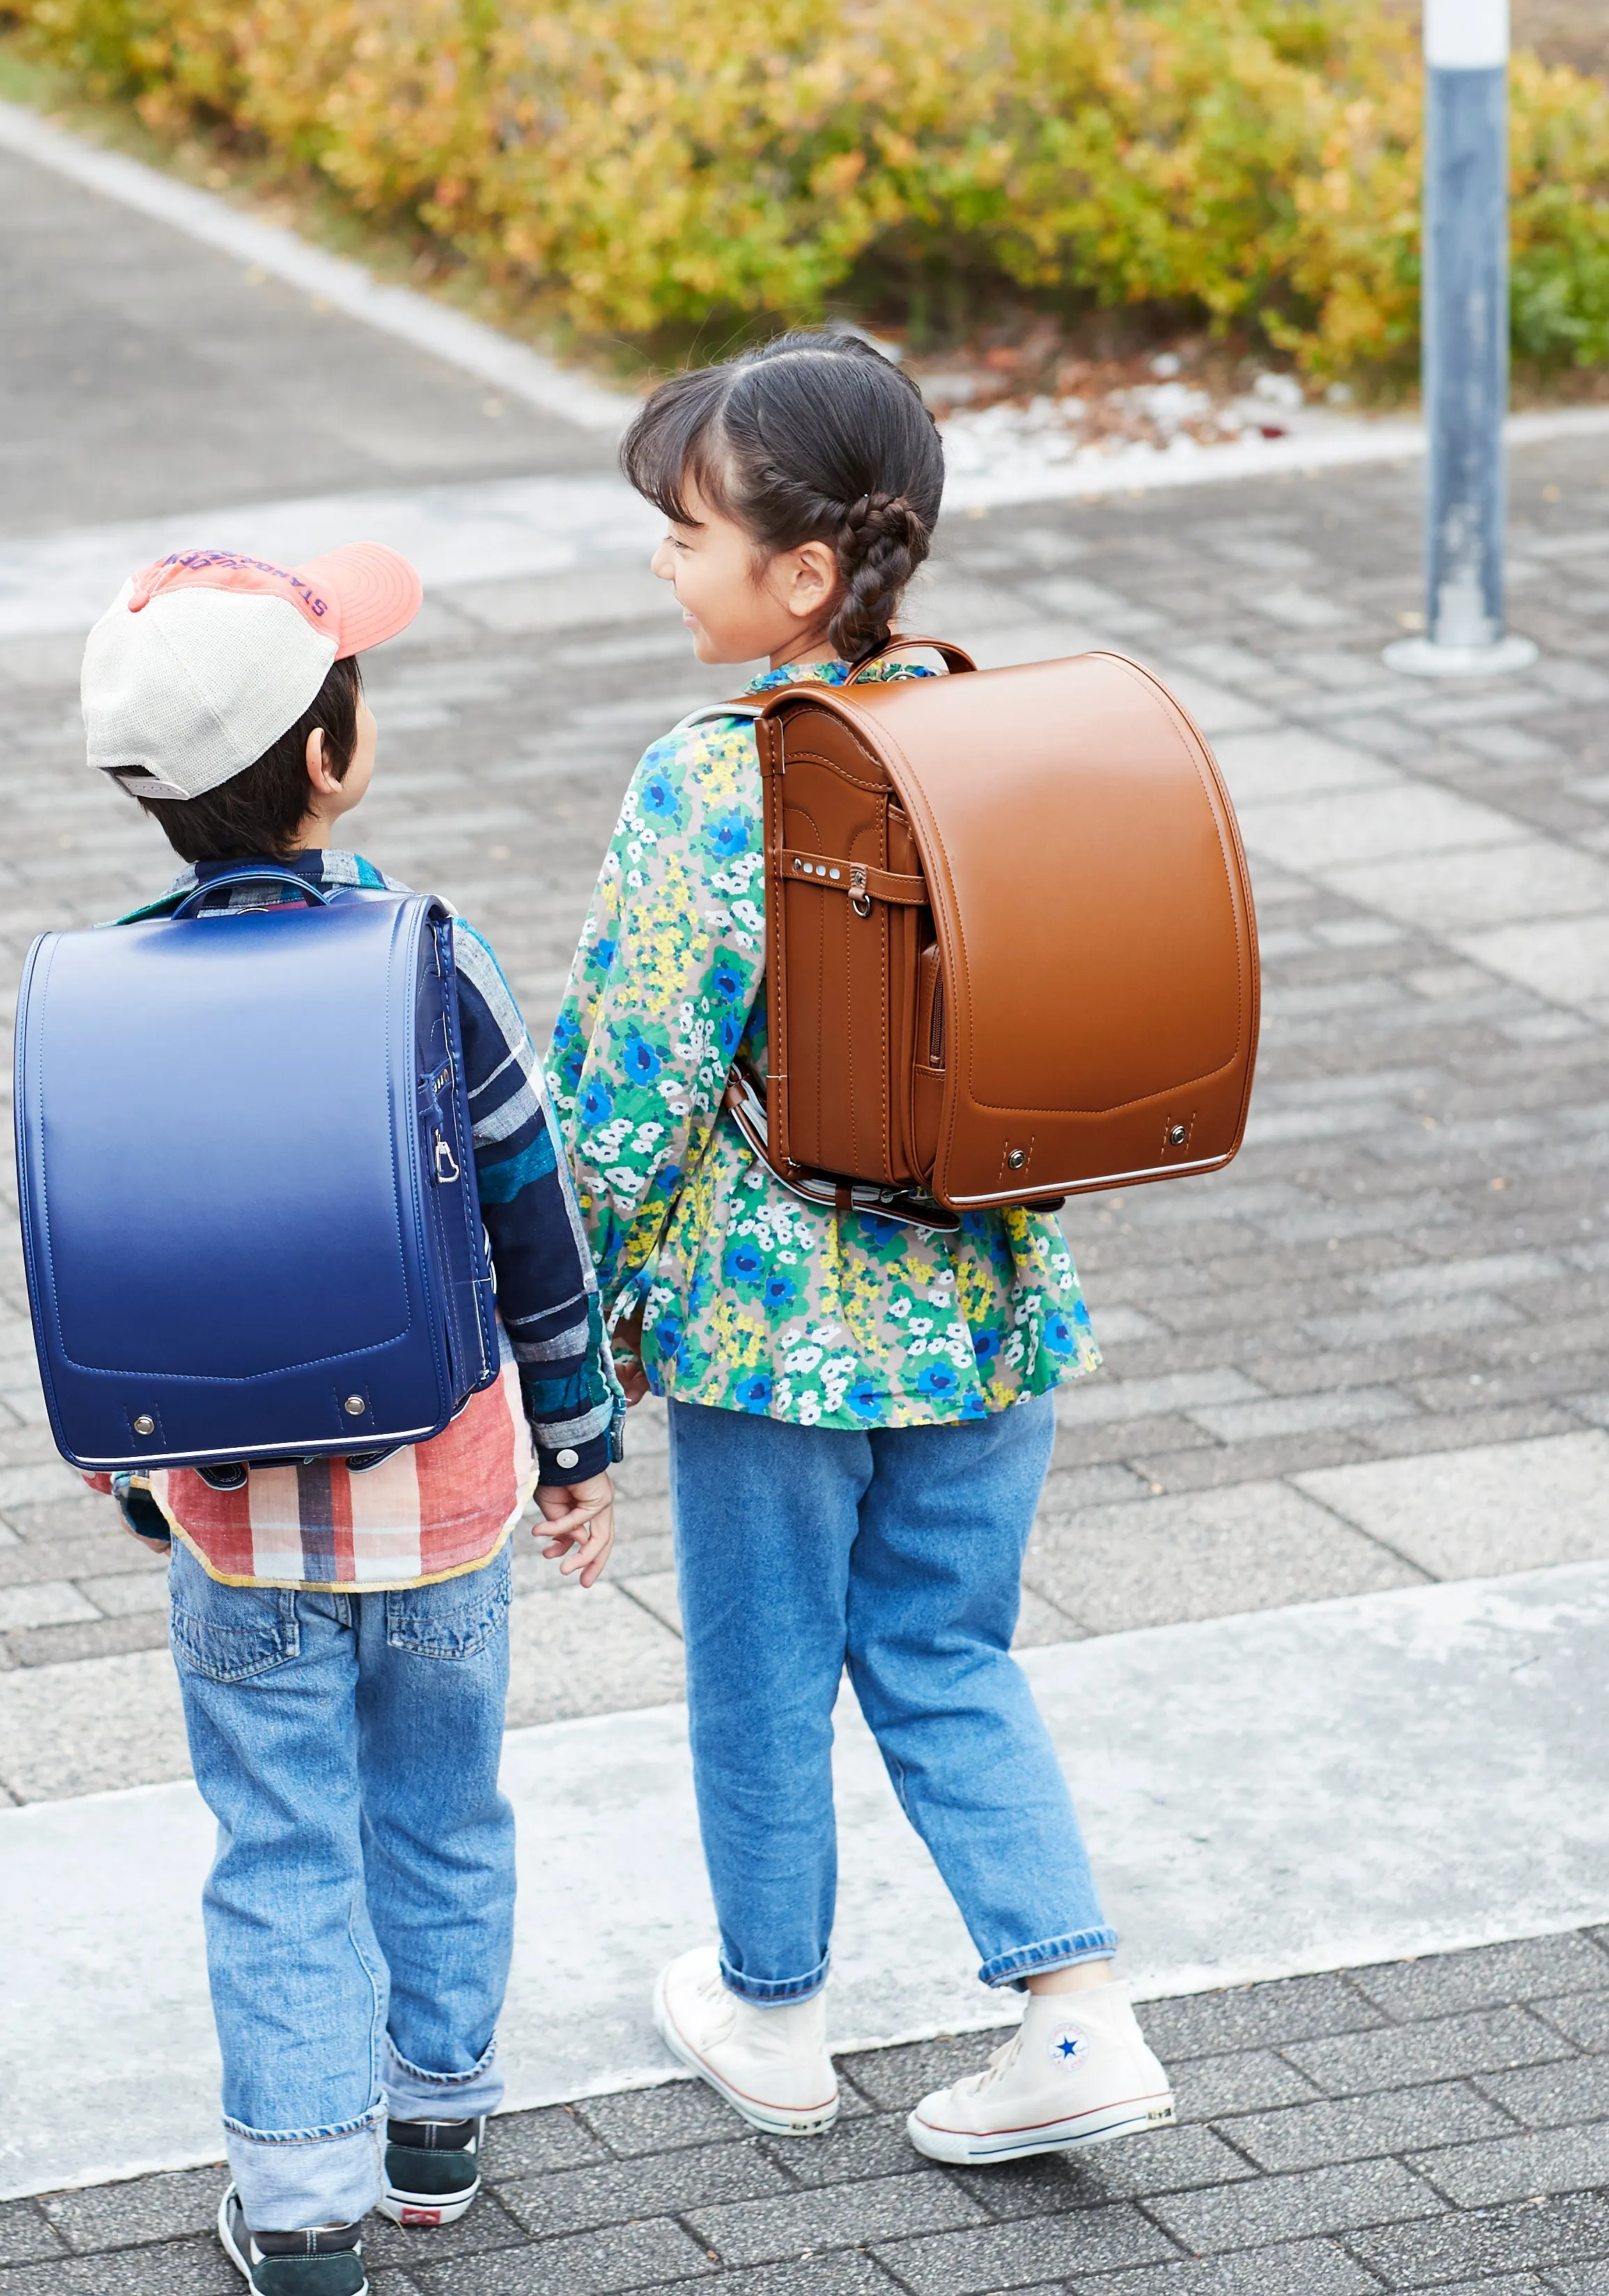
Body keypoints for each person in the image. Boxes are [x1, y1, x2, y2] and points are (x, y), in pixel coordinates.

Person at [546, 334, 1176, 2162]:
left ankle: (771, 2009)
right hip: (991, 1301)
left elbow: (621, 1092)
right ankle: (1073, 2013)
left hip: (777, 1333)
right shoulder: (985, 724)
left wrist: (574, 1343)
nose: (662, 559)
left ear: (801, 573)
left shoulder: (715, 774)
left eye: (684, 530)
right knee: (948, 1648)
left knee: (762, 1667)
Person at [75, 545, 622, 2295]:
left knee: (280, 1846)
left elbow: (100, 1265)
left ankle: (302, 2205)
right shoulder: (426, 964)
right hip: (447, 1507)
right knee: (444, 1812)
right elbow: (533, 1211)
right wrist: (581, 1438)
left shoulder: (110, 995)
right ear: (333, 758)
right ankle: (435, 2127)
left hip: (235, 1529)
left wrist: (135, 1472)